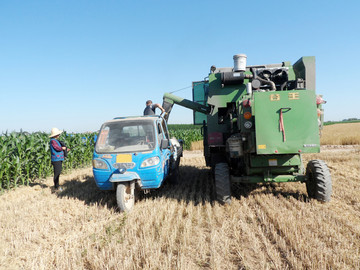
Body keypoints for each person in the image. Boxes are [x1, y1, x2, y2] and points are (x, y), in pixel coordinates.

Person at [49, 127, 70, 192]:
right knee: (57, 173)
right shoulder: (53, 141)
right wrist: (63, 148)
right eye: (58, 134)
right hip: (56, 160)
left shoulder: (56, 140)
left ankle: (56, 186)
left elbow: (59, 149)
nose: (59, 135)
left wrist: (66, 150)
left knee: (58, 172)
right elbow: (57, 148)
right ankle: (56, 187)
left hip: (58, 159)